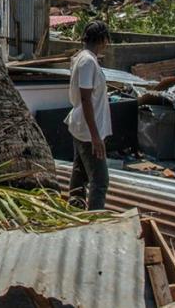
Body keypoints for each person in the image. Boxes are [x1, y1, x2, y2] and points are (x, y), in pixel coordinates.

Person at [65, 20, 112, 209]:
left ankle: (74, 210)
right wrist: (95, 136)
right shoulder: (87, 62)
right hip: (87, 130)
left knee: (80, 174)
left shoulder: (83, 58)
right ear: (101, 40)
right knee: (100, 181)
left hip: (82, 127)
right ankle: (94, 221)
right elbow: (85, 99)